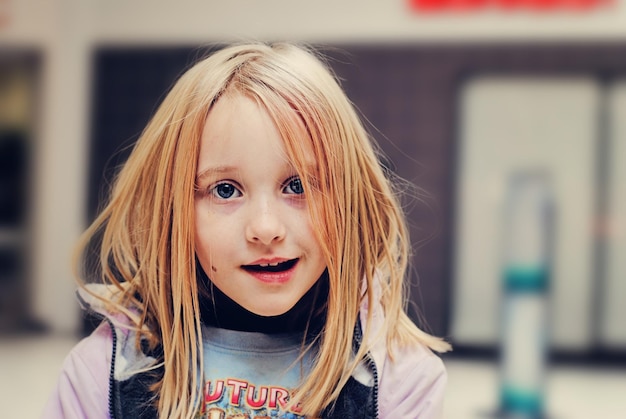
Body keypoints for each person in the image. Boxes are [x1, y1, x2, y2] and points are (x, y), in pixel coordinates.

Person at [44, 42, 450, 419]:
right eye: (225, 190)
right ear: (173, 212)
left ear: (349, 200)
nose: (265, 229)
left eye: (298, 186)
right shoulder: (103, 373)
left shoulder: (399, 381)